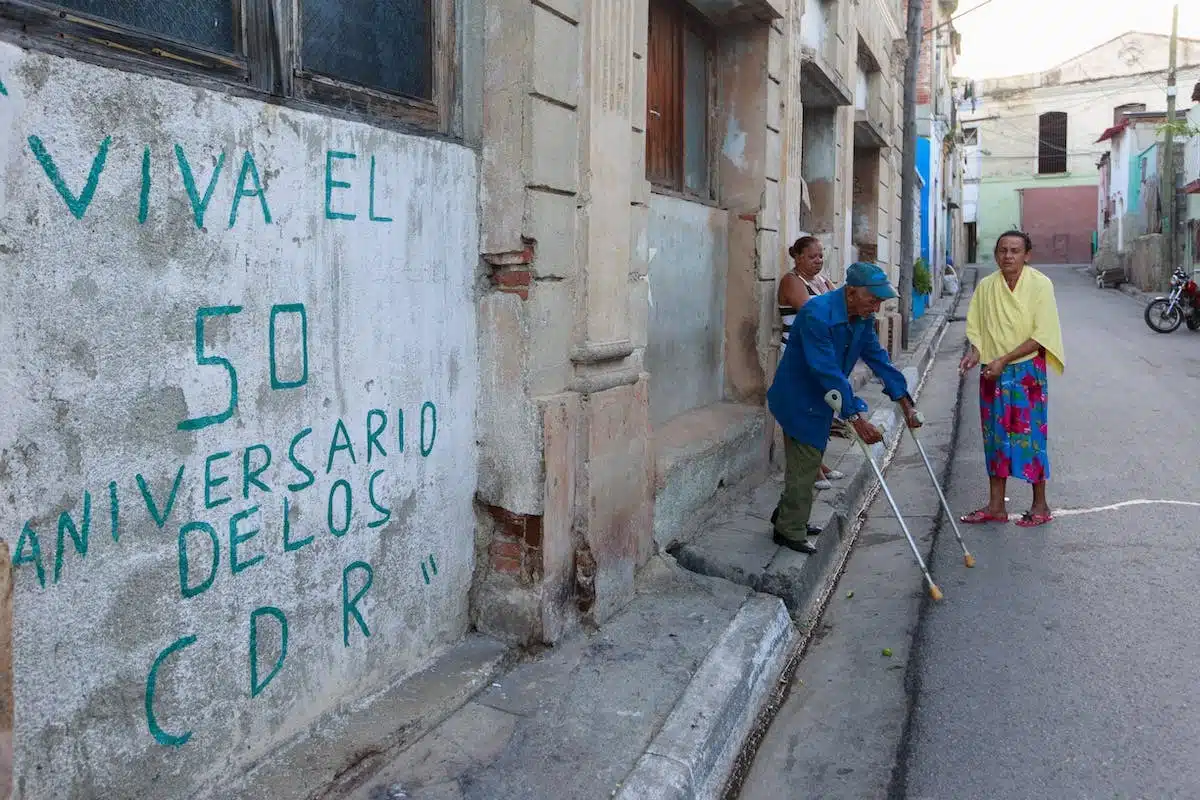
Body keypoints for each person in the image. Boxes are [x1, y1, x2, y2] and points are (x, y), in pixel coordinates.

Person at [768, 262, 922, 554]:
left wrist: (905, 401)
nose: (876, 307)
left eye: (880, 301)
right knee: (807, 463)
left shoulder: (860, 318)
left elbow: (878, 359)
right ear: (851, 292)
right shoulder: (817, 313)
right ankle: (789, 530)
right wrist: (856, 419)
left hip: (825, 398)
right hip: (799, 397)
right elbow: (826, 371)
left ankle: (787, 516)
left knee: (808, 462)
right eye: (872, 299)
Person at [958, 230, 1065, 528]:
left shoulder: (1041, 285)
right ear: (996, 255)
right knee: (994, 437)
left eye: (1015, 250)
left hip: (1027, 371)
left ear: (1027, 255)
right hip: (992, 371)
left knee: (1030, 437)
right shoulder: (986, 287)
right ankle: (996, 506)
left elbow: (1042, 335)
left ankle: (1040, 505)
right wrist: (975, 353)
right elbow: (978, 326)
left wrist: (1004, 359)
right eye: (1003, 250)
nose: (1008, 256)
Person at [778, 236, 844, 491]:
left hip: (819, 354)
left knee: (819, 411)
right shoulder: (792, 281)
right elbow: (814, 313)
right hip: (797, 354)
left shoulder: (821, 280)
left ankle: (818, 462)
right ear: (798, 257)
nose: (819, 261)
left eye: (820, 256)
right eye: (813, 256)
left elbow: (840, 306)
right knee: (799, 412)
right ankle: (808, 469)